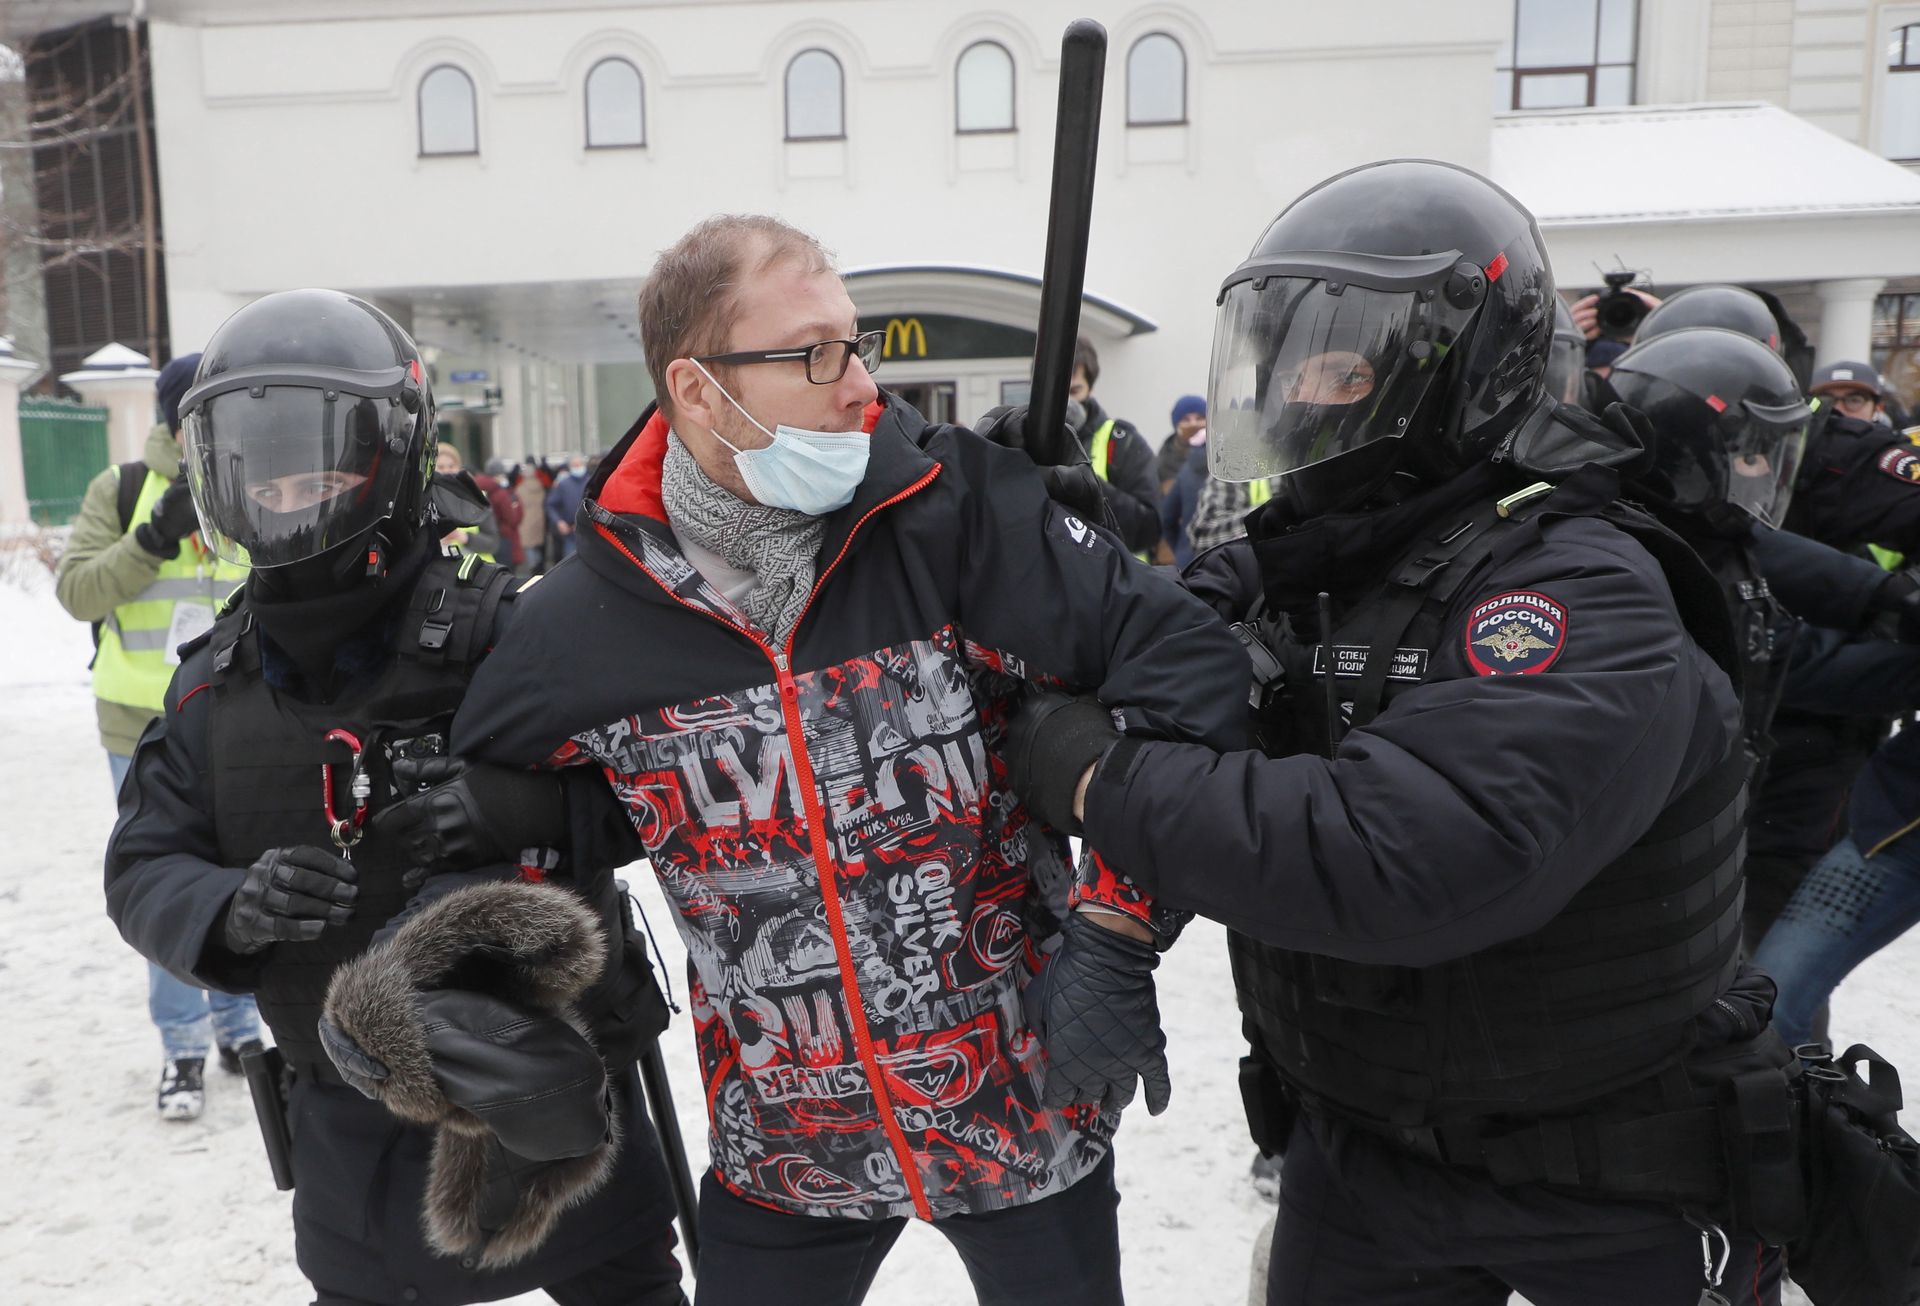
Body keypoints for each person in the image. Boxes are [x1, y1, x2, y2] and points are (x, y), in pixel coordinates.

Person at [1005, 160, 1799, 1304]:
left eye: (1332, 362)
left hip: (1612, 1177)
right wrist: (1057, 548)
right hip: (1368, 1156)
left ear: (1458, 374)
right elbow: (1163, 645)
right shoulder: (1323, 556)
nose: (1292, 393)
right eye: (1277, 362)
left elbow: (1403, 854)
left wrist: (1092, 779)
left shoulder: (1581, 584)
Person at [449, 213, 1246, 1306]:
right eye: (813, 354)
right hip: (785, 1150)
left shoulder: (950, 513)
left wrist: (1115, 929)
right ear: (695, 389)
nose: (859, 383)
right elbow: (492, 815)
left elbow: (1192, 669)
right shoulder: (589, 617)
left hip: (1025, 1097)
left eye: (854, 341)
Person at [102, 289, 686, 1306]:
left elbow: (671, 794)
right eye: (268, 478)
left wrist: (524, 812)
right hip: (352, 1150)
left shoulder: (511, 635)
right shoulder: (211, 688)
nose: (295, 500)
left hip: (561, 1112)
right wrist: (229, 906)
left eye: (321, 470)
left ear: (392, 455)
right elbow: (143, 864)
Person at [55, 351, 261, 1122]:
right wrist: (151, 537)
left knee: (238, 871)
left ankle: (240, 1026)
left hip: (236, 715)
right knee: (167, 880)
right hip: (138, 724)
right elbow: (77, 591)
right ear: (173, 419)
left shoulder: (250, 476)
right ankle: (181, 1045)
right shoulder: (122, 488)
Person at [1069, 335, 1162, 557]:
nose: (1064, 403)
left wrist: (1084, 483)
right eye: (1054, 389)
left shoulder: (1122, 442)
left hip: (1115, 584)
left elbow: (1149, 527)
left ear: (1090, 389)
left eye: (1074, 392)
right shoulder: (1023, 443)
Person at [432, 441, 502, 558]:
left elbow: (493, 544)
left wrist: (464, 537)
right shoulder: (423, 503)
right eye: (441, 467)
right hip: (440, 571)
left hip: (478, 572)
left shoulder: (477, 498)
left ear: (459, 468)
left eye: (451, 466)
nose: (447, 471)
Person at [477, 456, 527, 571]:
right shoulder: (501, 493)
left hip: (487, 539)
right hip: (505, 540)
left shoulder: (481, 489)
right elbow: (512, 518)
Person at [1155, 394, 1208, 492]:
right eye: (1186, 420)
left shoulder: (1220, 456)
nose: (1193, 424)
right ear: (1177, 425)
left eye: (1199, 418)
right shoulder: (1164, 461)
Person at [544, 453, 589, 563]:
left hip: (589, 533)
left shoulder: (591, 482)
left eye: (580, 464)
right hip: (570, 535)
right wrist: (559, 522)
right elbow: (550, 505)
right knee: (570, 564)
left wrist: (585, 522)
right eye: (575, 465)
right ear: (570, 467)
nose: (578, 467)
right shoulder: (563, 484)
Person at [514, 457, 549, 573]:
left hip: (525, 519)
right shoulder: (539, 485)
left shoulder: (520, 487)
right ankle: (539, 566)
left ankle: (533, 566)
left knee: (528, 545)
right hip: (539, 518)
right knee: (536, 545)